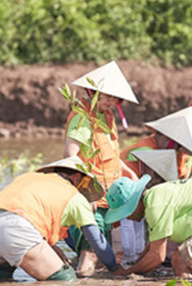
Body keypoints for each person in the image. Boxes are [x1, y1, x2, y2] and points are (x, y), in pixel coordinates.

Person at [0, 156, 122, 281]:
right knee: (64, 278)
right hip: (15, 230)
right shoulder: (74, 196)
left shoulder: (28, 178)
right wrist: (114, 268)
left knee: (3, 272)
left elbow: (25, 216)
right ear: (77, 178)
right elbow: (96, 240)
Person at [63, 61, 139, 275]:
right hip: (91, 197)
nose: (111, 102)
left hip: (108, 197)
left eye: (115, 98)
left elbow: (110, 154)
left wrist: (128, 171)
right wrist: (88, 192)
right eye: (106, 97)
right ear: (93, 92)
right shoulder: (82, 118)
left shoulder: (106, 117)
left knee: (97, 254)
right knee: (90, 255)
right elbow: (70, 156)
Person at [118, 107, 192, 265]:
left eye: (177, 146)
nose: (174, 149)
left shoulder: (168, 152)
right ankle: (132, 258)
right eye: (173, 144)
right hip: (125, 192)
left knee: (142, 229)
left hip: (142, 194)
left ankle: (144, 254)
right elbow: (151, 181)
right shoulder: (147, 148)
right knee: (129, 228)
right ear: (161, 135)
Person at [121, 106, 192, 178]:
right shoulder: (145, 150)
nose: (175, 149)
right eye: (175, 145)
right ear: (166, 137)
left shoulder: (164, 151)